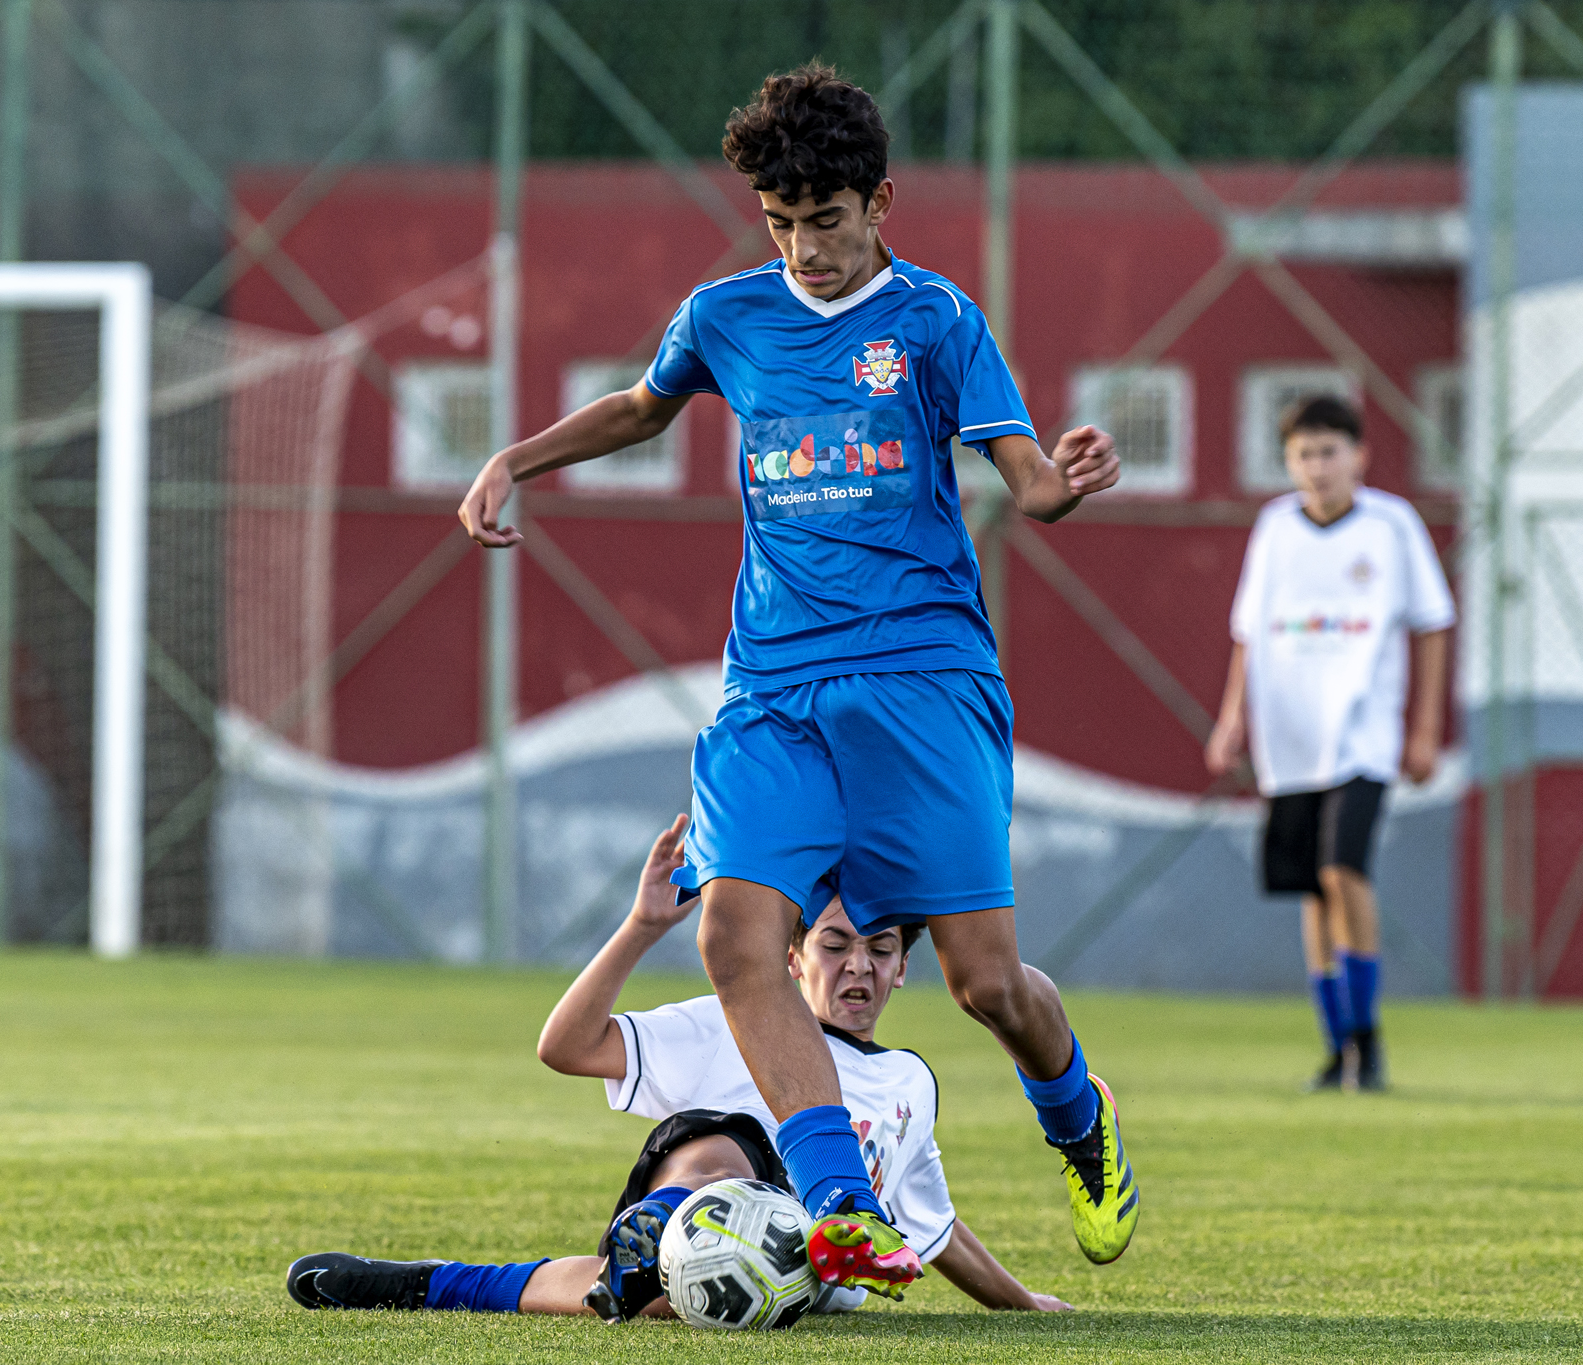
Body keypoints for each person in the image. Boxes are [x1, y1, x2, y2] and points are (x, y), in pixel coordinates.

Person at [456, 62, 1135, 1300]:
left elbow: (1025, 481)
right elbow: (638, 406)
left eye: (825, 221)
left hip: (923, 681)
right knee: (732, 935)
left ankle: (1077, 1116)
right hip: (772, 686)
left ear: (878, 203)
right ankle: (839, 1207)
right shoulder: (726, 316)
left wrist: (1068, 477)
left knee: (985, 983)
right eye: (780, 223)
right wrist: (517, 456)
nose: (804, 248)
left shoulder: (935, 321)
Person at [285, 816, 1071, 1320]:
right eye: (835, 944)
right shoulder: (734, 1017)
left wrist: (1025, 1303)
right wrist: (640, 926)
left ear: (903, 968)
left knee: (630, 1300)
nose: (858, 966)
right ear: (791, 957)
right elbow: (566, 1045)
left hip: (806, 1285)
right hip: (713, 1221)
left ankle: (483, 1279)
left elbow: (935, 1227)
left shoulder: (908, 1084)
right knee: (727, 1154)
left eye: (881, 949)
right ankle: (443, 1278)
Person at [1204, 395, 1456, 1092]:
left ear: (1359, 456)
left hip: (1365, 730)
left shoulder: (1391, 525)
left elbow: (1433, 622)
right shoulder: (1276, 528)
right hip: (1290, 734)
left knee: (1345, 869)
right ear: (1289, 463)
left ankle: (1368, 1039)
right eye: (1303, 454)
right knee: (1313, 890)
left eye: (1329, 451)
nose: (1317, 467)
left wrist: (1425, 727)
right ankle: (1336, 1042)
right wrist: (1233, 718)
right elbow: (1248, 631)